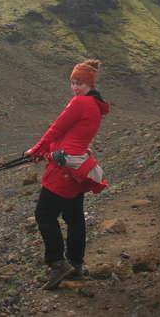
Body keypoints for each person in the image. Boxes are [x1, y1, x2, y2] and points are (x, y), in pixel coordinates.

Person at [25, 59, 110, 290]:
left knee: (44, 214)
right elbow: (73, 135)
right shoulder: (95, 105)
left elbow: (56, 129)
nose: (75, 87)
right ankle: (76, 264)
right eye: (72, 82)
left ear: (90, 84)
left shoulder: (80, 103)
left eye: (80, 83)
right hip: (78, 166)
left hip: (63, 168)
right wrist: (46, 150)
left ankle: (57, 263)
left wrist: (37, 150)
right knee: (74, 217)